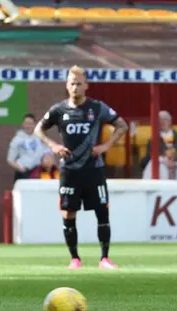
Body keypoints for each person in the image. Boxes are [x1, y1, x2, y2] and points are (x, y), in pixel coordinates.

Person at [34, 65, 129, 270]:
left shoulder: (97, 108)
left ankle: (104, 258)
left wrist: (105, 146)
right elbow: (38, 130)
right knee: (68, 213)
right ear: (67, 86)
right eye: (72, 83)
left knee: (102, 211)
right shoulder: (59, 110)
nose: (75, 87)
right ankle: (75, 258)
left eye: (79, 83)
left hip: (94, 168)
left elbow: (122, 125)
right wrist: (54, 146)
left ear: (86, 85)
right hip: (69, 171)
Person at [7, 113, 48, 181]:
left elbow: (47, 152)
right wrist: (21, 169)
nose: (28, 126)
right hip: (23, 172)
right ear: (23, 124)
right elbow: (10, 159)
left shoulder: (40, 137)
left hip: (38, 172)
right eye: (26, 123)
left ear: (34, 124)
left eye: (30, 123)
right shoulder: (17, 139)